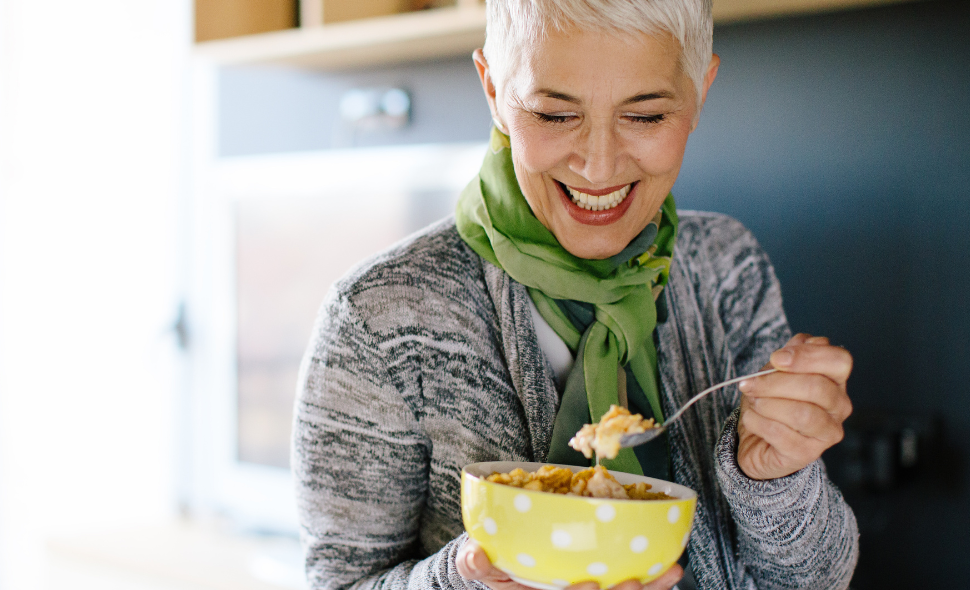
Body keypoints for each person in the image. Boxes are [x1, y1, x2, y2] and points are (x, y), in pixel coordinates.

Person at [292, 0, 859, 588]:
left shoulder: (725, 268)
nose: (598, 165)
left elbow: (815, 580)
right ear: (493, 90)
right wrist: (466, 581)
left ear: (700, 92)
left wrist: (777, 480)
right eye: (554, 115)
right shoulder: (378, 315)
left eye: (645, 117)